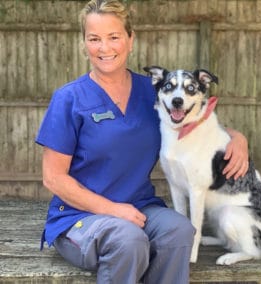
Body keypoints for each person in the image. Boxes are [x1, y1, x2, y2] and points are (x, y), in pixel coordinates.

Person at [35, 0, 249, 283]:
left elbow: (198, 123)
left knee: (180, 230)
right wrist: (111, 210)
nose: (105, 47)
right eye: (94, 39)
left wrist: (238, 138)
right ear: (84, 43)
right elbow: (53, 178)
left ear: (130, 39)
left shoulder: (154, 94)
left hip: (139, 208)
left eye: (114, 37)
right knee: (128, 238)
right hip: (80, 217)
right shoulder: (69, 98)